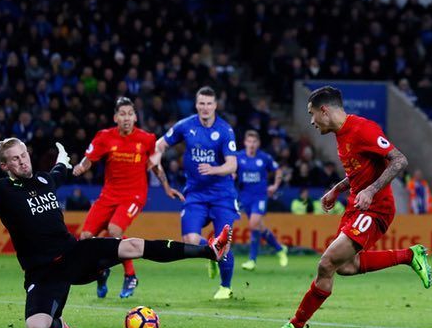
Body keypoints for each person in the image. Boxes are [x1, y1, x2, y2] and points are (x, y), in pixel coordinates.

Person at [0, 136, 232, 328]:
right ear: (4, 166)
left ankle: (208, 251)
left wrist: (65, 161)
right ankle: (58, 322)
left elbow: (59, 173)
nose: (22, 162)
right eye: (15, 160)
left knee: (131, 245)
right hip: (42, 273)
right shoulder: (2, 190)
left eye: (24, 155)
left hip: (74, 256)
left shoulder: (45, 181)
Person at [266, 86, 432, 328]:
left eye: (312, 114)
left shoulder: (363, 129)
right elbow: (358, 171)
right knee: (345, 266)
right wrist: (337, 189)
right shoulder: (340, 135)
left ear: (324, 110)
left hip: (376, 207)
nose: (311, 121)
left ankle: (296, 324)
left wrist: (372, 189)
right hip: (356, 206)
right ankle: (410, 255)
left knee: (326, 263)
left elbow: (399, 160)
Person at [72, 97, 184, 298]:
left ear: (135, 117)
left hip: (134, 195)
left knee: (114, 230)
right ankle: (101, 272)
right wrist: (81, 167)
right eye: (122, 114)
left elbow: (155, 165)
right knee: (85, 238)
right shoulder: (104, 137)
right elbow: (89, 159)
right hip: (108, 196)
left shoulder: (147, 139)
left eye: (130, 114)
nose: (126, 118)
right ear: (115, 117)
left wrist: (166, 187)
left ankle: (130, 275)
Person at [150, 86, 239, 299]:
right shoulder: (185, 126)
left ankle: (225, 287)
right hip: (195, 194)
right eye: (201, 103)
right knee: (190, 240)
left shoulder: (225, 130)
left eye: (209, 103)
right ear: (196, 104)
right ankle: (210, 251)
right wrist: (156, 157)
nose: (205, 107)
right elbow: (158, 145)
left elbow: (232, 165)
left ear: (215, 105)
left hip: (222, 194)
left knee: (224, 243)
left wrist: (214, 169)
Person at [235, 130, 288, 270]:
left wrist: (275, 186)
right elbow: (232, 172)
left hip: (260, 197)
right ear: (245, 142)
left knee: (253, 225)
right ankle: (279, 248)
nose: (251, 144)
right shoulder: (238, 157)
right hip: (245, 197)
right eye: (249, 141)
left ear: (258, 143)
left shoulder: (264, 158)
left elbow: (278, 171)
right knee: (259, 227)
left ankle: (252, 260)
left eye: (254, 142)